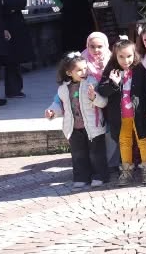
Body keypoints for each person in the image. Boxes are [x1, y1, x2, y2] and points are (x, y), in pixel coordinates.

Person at [97, 37, 146, 186]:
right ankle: (126, 170)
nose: (126, 60)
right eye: (121, 57)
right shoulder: (111, 70)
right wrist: (113, 83)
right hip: (120, 116)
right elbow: (102, 90)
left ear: (134, 54)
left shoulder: (140, 69)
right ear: (115, 56)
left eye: (129, 56)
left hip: (139, 114)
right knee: (124, 142)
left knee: (143, 140)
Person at [46, 52, 109, 189]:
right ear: (69, 73)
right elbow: (60, 105)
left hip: (93, 126)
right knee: (78, 154)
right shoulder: (63, 89)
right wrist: (52, 111)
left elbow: (103, 102)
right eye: (79, 70)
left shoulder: (92, 83)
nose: (84, 72)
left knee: (96, 154)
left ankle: (100, 176)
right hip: (73, 127)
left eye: (85, 68)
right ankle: (81, 177)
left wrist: (94, 97)